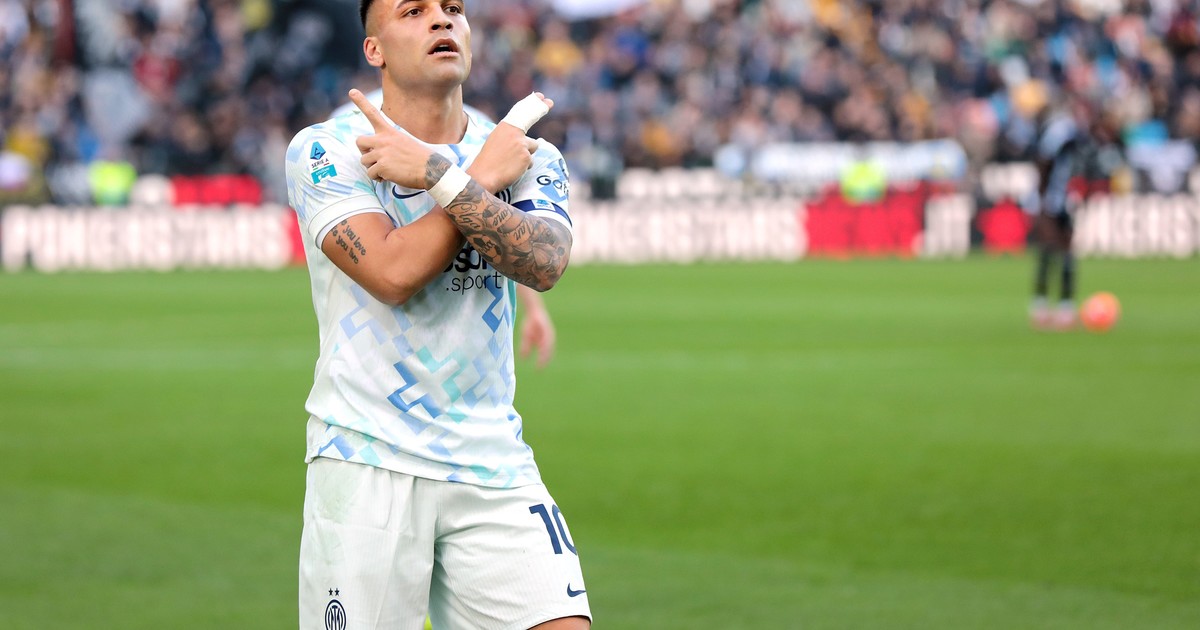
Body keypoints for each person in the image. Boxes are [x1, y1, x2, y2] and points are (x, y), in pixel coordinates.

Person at [283, 1, 588, 628]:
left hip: (491, 458)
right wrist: (472, 180)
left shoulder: (518, 149)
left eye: (453, 8)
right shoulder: (327, 149)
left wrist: (439, 177)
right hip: (367, 456)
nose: (442, 21)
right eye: (414, 11)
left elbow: (546, 262)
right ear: (374, 49)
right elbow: (391, 273)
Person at [332, 89, 558, 368]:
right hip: (367, 386)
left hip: (485, 390)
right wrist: (479, 178)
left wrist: (534, 308)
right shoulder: (338, 136)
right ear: (376, 60)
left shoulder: (491, 136)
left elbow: (539, 260)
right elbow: (392, 277)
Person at [1028, 100, 1088, 331]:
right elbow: (1046, 164)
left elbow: (1045, 163)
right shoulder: (1063, 130)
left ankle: (1055, 307)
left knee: (1057, 252)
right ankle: (1052, 307)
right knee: (1055, 251)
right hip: (1057, 199)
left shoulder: (1061, 131)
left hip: (1061, 199)